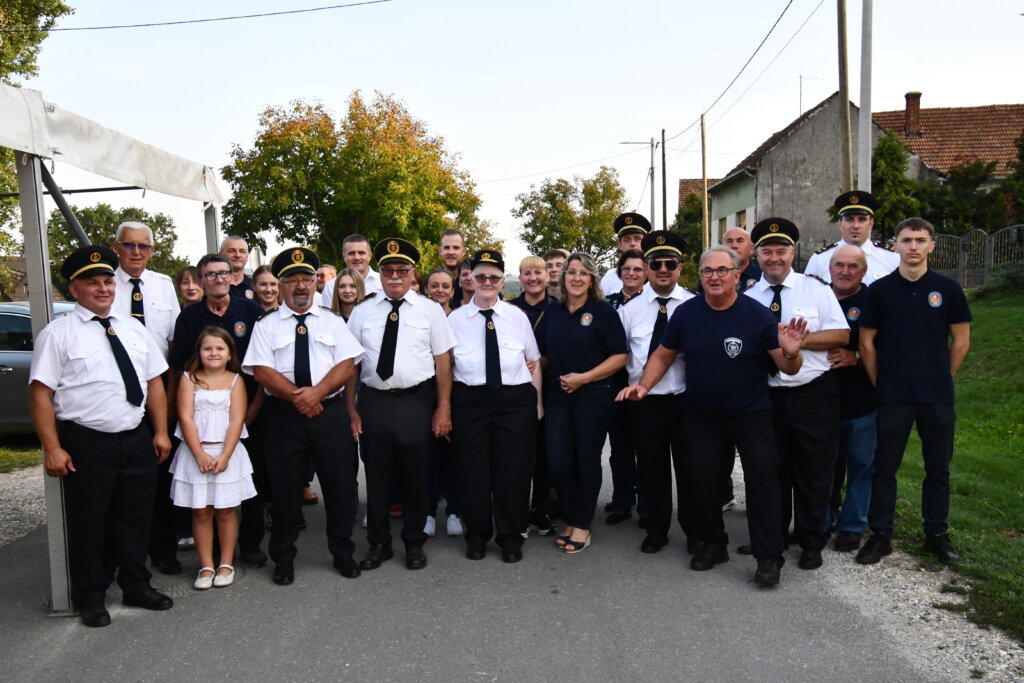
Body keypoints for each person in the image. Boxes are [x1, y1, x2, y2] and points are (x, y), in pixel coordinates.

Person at [619, 245, 808, 586]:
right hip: (702, 415)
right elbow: (662, 356)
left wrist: (793, 354)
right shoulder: (687, 314)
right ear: (700, 277)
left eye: (723, 270)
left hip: (751, 414)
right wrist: (644, 386)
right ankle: (712, 543)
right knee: (702, 482)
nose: (715, 277)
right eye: (708, 271)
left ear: (737, 275)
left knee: (763, 484)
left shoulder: (758, 315)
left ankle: (768, 557)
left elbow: (786, 366)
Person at [29, 245, 174, 627]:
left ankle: (135, 584)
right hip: (87, 442)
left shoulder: (132, 327)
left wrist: (159, 430)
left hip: (136, 437)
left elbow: (155, 381)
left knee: (136, 517)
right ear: (74, 290)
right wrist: (52, 447)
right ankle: (90, 595)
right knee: (91, 521)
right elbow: (40, 393)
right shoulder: (58, 334)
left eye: (108, 280)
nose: (103, 288)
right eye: (92, 282)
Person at [243, 247, 365, 584]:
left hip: (329, 414)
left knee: (340, 488)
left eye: (306, 279)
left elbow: (347, 364)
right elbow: (262, 371)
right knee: (284, 491)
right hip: (284, 417)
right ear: (280, 286)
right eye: (292, 280)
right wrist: (299, 397)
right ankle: (283, 558)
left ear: (315, 284)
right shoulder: (266, 325)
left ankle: (343, 553)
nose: (300, 286)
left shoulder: (333, 320)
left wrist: (317, 393)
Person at [856, 217, 972, 566]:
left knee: (938, 468)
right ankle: (881, 535)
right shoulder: (879, 290)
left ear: (931, 246)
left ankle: (936, 535)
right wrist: (881, 382)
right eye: (906, 240)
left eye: (921, 240)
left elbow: (962, 340)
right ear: (895, 245)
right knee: (884, 468)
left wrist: (942, 375)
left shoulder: (948, 289)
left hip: (936, 395)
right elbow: (866, 342)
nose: (913, 247)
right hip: (893, 394)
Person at [744, 218, 849, 571]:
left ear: (793, 253)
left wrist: (803, 340)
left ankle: (810, 540)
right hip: (767, 397)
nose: (774, 258)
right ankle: (772, 537)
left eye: (781, 250)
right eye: (767, 251)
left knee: (814, 472)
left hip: (812, 394)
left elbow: (841, 335)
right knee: (772, 471)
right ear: (757, 255)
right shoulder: (746, 298)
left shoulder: (816, 289)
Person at [346, 237, 456, 571]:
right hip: (375, 400)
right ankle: (379, 544)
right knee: (377, 477)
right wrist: (351, 409)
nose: (394, 276)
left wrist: (443, 408)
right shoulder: (363, 311)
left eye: (401, 270)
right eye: (388, 270)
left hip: (416, 400)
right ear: (379, 274)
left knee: (415, 476)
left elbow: (443, 361)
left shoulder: (430, 310)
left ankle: (413, 542)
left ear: (413, 275)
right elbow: (350, 363)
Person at [168, 254, 269, 569]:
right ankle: (208, 556)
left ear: (232, 275)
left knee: (251, 481)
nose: (217, 279)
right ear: (200, 281)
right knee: (204, 491)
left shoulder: (251, 312)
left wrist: (254, 406)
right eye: (210, 275)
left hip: (248, 409)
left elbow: (263, 365)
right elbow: (177, 368)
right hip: (203, 416)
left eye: (223, 273)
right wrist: (173, 413)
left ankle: (249, 546)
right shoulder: (188, 317)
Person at [448, 250, 542, 562]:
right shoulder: (454, 320)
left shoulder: (517, 317)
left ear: (502, 281)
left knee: (513, 471)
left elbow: (533, 360)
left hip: (514, 401)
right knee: (472, 471)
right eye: (480, 277)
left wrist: (537, 402)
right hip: (470, 401)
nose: (487, 282)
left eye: (493, 277)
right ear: (470, 280)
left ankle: (511, 536)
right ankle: (476, 535)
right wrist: (445, 408)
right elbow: (445, 368)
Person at [535, 253, 627, 553]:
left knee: (586, 461)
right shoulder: (554, 311)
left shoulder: (602, 311)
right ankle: (574, 515)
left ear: (592, 280)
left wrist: (584, 378)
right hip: (558, 395)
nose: (576, 278)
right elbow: (544, 353)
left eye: (583, 273)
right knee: (558, 460)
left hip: (594, 395)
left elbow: (619, 357)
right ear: (562, 278)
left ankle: (582, 524)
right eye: (571, 272)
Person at [616, 231, 695, 553]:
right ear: (646, 267)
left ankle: (695, 532)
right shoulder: (630, 310)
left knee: (691, 470)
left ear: (680, 268)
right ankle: (657, 528)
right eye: (656, 263)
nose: (663, 269)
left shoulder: (694, 305)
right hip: (645, 402)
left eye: (670, 263)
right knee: (651, 468)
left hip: (686, 399)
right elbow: (620, 356)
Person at [111, 221, 182, 575]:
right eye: (129, 245)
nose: (136, 252)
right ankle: (122, 559)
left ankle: (163, 551)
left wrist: (170, 403)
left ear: (152, 251)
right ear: (116, 248)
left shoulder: (163, 285)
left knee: (161, 480)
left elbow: (173, 344)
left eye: (143, 246)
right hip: (119, 394)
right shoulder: (106, 285)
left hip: (159, 392)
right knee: (124, 489)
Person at [169, 327, 257, 590]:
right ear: (199, 352)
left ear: (229, 353)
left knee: (226, 511)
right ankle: (206, 565)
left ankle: (226, 562)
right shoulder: (188, 378)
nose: (213, 353)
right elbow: (185, 417)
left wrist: (225, 456)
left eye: (220, 348)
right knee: (201, 512)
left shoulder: (235, 380)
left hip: (226, 454)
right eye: (207, 348)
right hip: (196, 453)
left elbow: (236, 420)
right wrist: (198, 453)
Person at [824, 245, 876, 552]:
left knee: (860, 464)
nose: (845, 271)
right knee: (824, 465)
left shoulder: (873, 301)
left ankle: (853, 525)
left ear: (863, 271)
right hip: (822, 398)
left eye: (852, 266)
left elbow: (888, 344)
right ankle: (820, 519)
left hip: (861, 398)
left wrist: (856, 355)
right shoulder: (817, 296)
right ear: (829, 269)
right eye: (839, 265)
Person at [509, 255, 556, 535]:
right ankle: (517, 508)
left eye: (538, 272)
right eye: (526, 273)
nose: (533, 278)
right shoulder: (509, 309)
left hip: (551, 387)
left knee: (545, 451)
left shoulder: (558, 309)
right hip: (516, 388)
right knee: (519, 453)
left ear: (548, 276)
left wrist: (541, 362)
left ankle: (541, 508)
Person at [603, 249, 646, 525]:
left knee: (645, 446)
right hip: (614, 382)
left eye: (638, 269)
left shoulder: (654, 301)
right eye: (626, 269)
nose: (631, 273)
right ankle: (622, 501)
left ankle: (647, 502)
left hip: (644, 381)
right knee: (619, 446)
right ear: (619, 273)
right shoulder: (607, 303)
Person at [422, 267, 462, 537]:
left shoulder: (461, 318)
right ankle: (426, 512)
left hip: (458, 395)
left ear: (452, 290)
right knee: (426, 457)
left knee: (455, 457)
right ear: (426, 289)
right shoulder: (418, 315)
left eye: (445, 286)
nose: (439, 290)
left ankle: (455, 512)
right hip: (424, 395)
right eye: (434, 285)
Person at [804, 191, 899, 285]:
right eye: (849, 219)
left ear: (871, 223)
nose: (856, 226)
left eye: (862, 219)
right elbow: (808, 295)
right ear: (840, 224)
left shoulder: (891, 258)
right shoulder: (820, 259)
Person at [321, 234, 383, 306]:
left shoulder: (382, 282)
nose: (357, 257)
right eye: (351, 253)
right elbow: (328, 316)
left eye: (361, 253)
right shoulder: (331, 286)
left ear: (369, 256)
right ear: (344, 257)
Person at [599, 212, 651, 295]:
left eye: (637, 239)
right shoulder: (610, 278)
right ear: (619, 245)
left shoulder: (656, 276)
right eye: (627, 240)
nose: (632, 243)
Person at [438, 228, 467, 307]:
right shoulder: (430, 283)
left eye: (456, 248)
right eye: (447, 248)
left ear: (464, 251)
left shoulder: (474, 283)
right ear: (440, 251)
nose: (451, 252)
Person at [220, 235, 254, 300]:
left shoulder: (256, 287)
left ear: (247, 257)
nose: (237, 255)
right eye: (231, 251)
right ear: (220, 255)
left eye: (242, 251)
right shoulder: (214, 287)